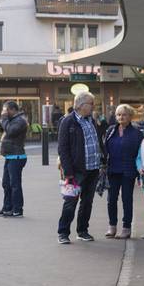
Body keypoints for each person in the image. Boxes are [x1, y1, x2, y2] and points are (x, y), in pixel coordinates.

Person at [57, 91, 105, 245]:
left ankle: (82, 231)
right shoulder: (68, 121)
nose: (93, 107)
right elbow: (63, 149)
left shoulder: (91, 120)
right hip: (76, 171)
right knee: (71, 202)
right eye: (91, 104)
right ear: (81, 105)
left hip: (93, 168)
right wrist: (68, 171)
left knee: (87, 202)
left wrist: (103, 159)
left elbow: (98, 141)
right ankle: (63, 233)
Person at [103, 104, 144, 239]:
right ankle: (112, 226)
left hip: (128, 170)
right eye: (118, 114)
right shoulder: (110, 131)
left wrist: (140, 171)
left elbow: (140, 153)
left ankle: (126, 228)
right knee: (111, 200)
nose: (121, 117)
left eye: (124, 114)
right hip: (113, 170)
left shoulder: (137, 134)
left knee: (127, 199)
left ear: (130, 116)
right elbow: (104, 149)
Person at [0, 101, 29, 218]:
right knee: (6, 183)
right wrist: (1, 121)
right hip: (10, 156)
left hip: (17, 156)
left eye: (6, 110)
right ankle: (7, 208)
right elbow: (1, 130)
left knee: (15, 184)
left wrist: (4, 119)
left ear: (13, 109)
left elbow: (10, 132)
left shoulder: (20, 121)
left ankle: (17, 209)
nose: (4, 112)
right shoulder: (10, 120)